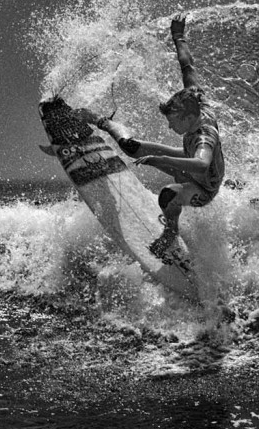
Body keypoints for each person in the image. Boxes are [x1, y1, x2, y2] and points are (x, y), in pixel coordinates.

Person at [93, 14, 225, 262]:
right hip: (187, 160)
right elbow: (188, 67)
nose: (169, 125)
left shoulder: (205, 137)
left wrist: (160, 159)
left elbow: (201, 164)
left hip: (203, 188)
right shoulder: (198, 102)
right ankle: (103, 122)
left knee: (167, 194)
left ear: (187, 118)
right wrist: (178, 36)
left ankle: (170, 235)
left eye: (173, 121)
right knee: (131, 147)